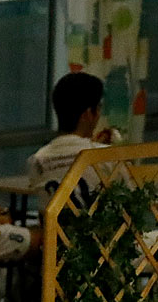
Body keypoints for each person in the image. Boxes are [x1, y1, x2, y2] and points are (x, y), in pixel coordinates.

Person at [29, 71, 111, 209]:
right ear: (88, 114)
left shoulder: (36, 161)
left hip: (52, 230)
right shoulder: (107, 156)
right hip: (99, 229)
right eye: (98, 108)